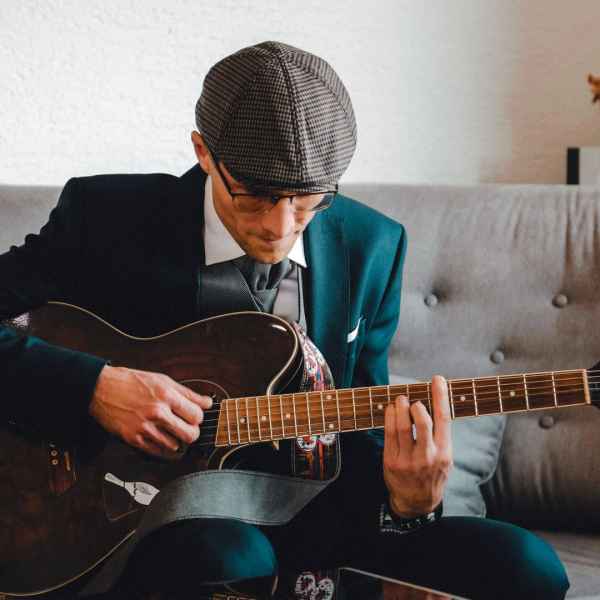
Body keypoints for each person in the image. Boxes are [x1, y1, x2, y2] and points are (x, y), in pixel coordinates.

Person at [0, 41, 568, 599]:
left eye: (308, 200)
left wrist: (407, 501)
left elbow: (360, 431)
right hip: (141, 515)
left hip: (314, 514)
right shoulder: (107, 216)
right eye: (254, 196)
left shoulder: (372, 244)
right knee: (230, 560)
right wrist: (95, 388)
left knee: (527, 568)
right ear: (203, 152)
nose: (280, 226)